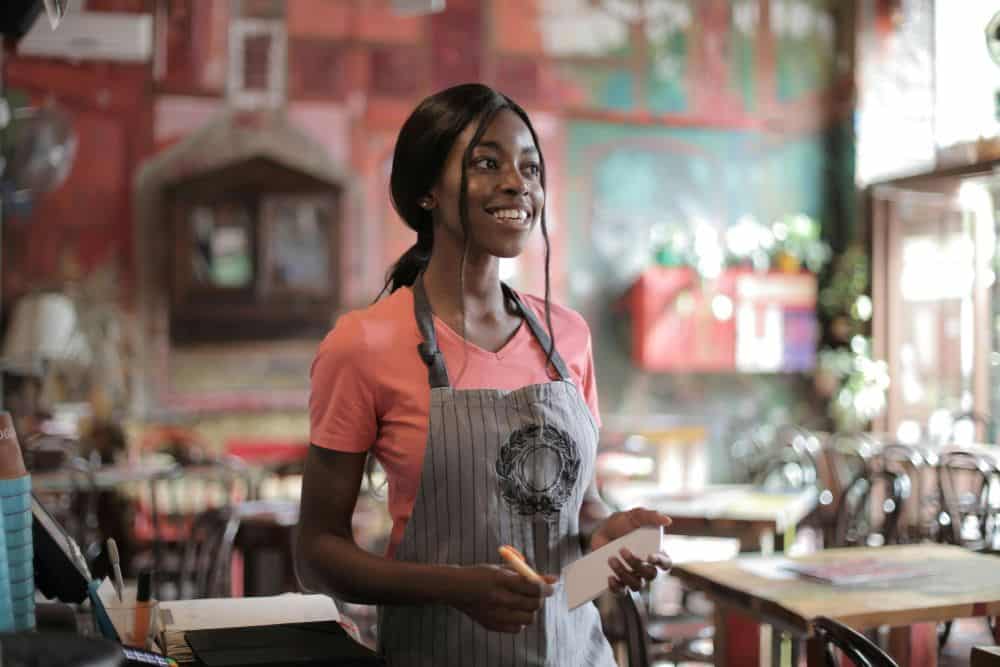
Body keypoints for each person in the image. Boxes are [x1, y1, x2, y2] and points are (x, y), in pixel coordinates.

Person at [297, 83, 672, 667]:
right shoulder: (362, 345)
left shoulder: (568, 337)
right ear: (426, 191)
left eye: (529, 167)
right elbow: (317, 552)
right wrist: (453, 588)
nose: (516, 183)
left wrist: (608, 536)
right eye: (486, 163)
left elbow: (583, 507)